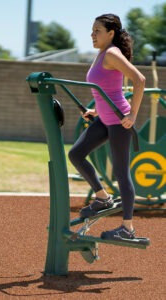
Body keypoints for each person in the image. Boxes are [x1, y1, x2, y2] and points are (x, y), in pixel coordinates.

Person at [68, 14, 145, 241]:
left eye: (97, 31)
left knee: (121, 172)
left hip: (120, 120)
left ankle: (127, 229)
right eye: (92, 31)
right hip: (105, 118)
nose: (92, 35)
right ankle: (102, 197)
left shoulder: (111, 53)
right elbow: (107, 91)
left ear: (111, 33)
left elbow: (139, 80)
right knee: (76, 154)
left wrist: (132, 114)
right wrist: (96, 112)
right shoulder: (101, 54)